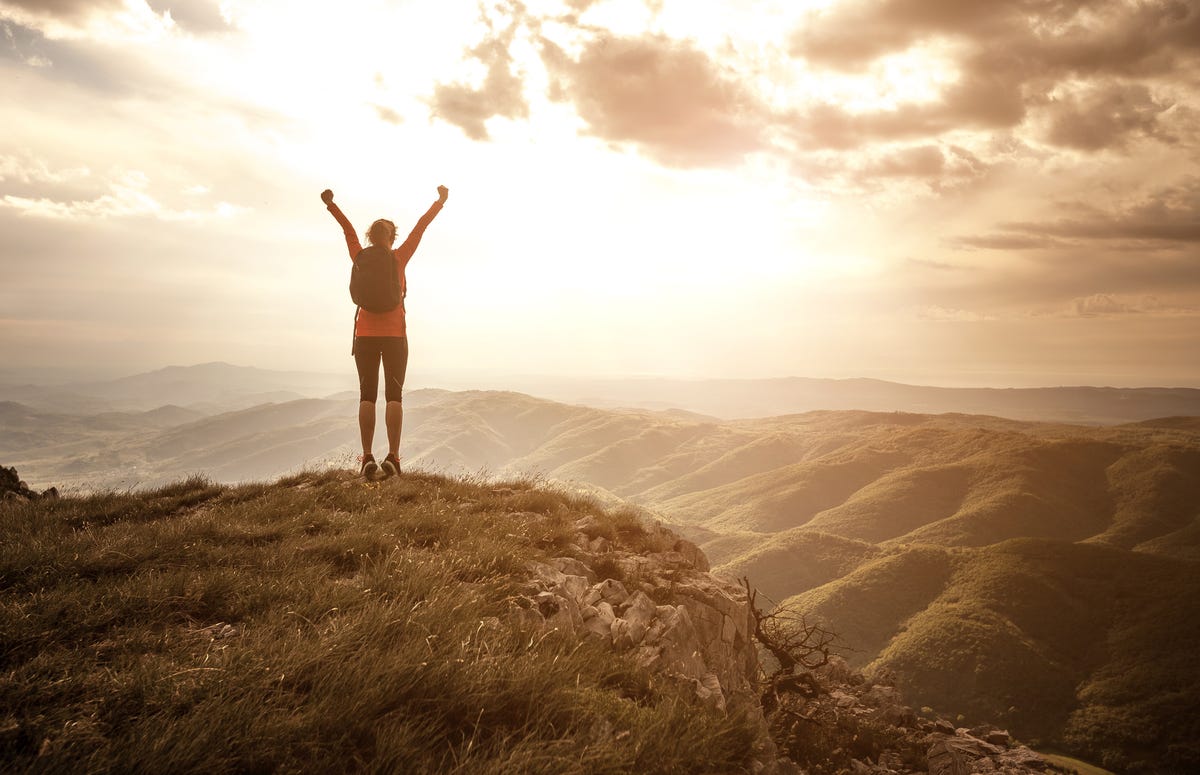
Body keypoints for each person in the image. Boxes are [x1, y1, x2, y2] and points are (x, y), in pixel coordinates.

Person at [322, 185, 448, 478]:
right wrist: (439, 202)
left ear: (370, 237)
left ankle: (366, 457)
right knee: (394, 396)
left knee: (367, 396)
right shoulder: (399, 257)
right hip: (395, 336)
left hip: (364, 334)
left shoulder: (359, 255)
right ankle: (393, 457)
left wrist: (331, 204)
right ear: (392, 238)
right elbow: (421, 227)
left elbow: (347, 231)